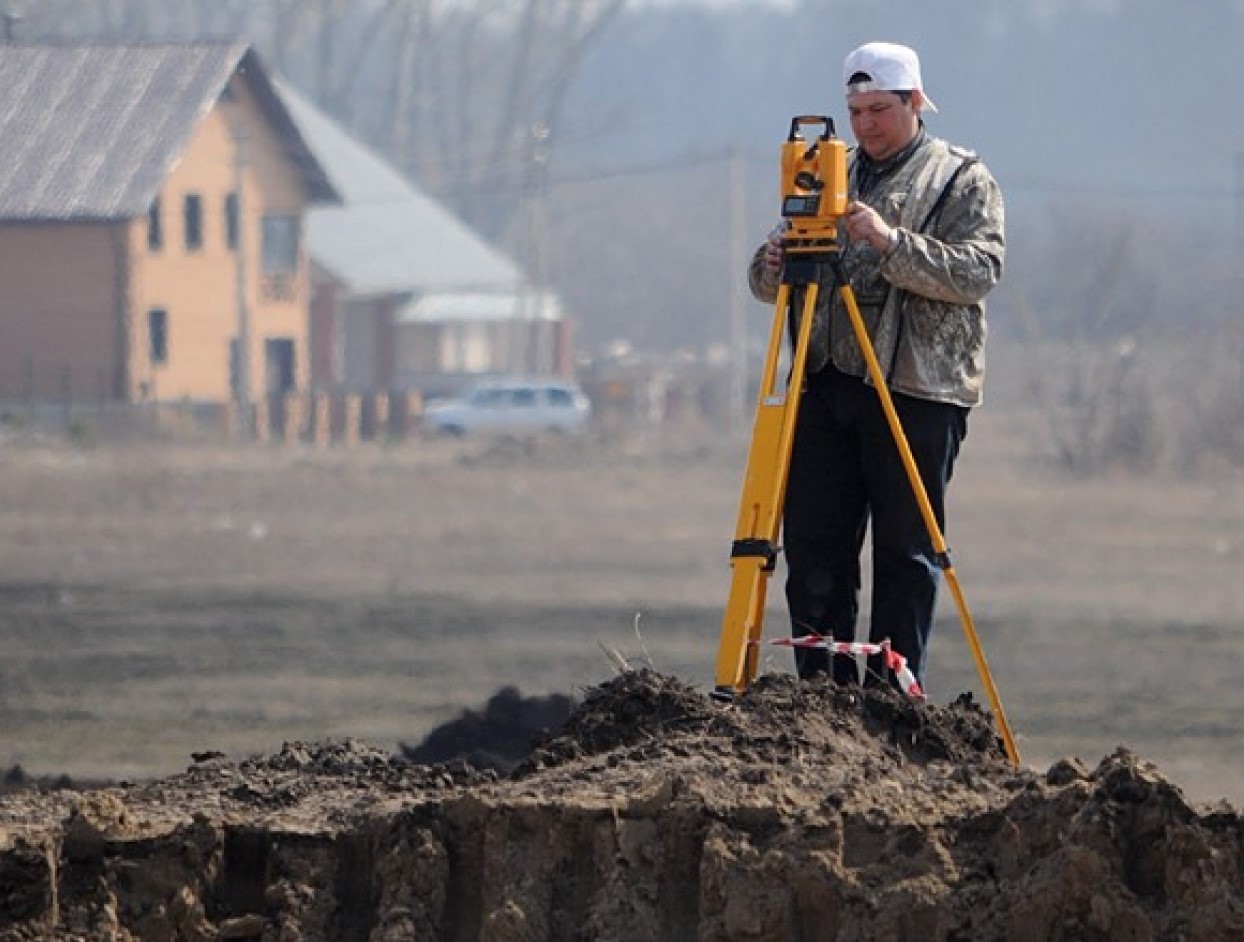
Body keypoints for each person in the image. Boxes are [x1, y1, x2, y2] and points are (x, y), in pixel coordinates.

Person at [747, 41, 1005, 689]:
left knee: (904, 550)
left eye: (880, 109)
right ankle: (821, 695)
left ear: (915, 102)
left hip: (916, 388)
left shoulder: (960, 177)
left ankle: (894, 694)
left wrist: (891, 244)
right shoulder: (828, 171)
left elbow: (979, 271)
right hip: (823, 380)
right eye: (855, 110)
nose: (865, 124)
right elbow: (769, 274)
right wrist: (772, 264)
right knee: (814, 548)